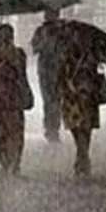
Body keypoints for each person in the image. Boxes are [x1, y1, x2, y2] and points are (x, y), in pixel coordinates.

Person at [0, 23, 34, 177]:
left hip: (8, 100)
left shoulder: (14, 54)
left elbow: (21, 75)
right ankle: (8, 164)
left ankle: (12, 164)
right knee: (3, 134)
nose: (4, 38)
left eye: (6, 35)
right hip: (3, 100)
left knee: (11, 133)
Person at [57, 39, 104, 176]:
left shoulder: (68, 56)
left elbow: (59, 78)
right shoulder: (88, 56)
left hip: (78, 99)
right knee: (82, 130)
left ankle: (82, 159)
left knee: (82, 130)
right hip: (82, 99)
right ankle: (83, 158)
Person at [31, 9, 63, 142]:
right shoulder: (40, 31)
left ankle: (54, 127)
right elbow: (34, 49)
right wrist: (43, 42)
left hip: (58, 70)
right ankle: (50, 128)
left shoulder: (62, 31)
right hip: (45, 70)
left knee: (56, 100)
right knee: (49, 100)